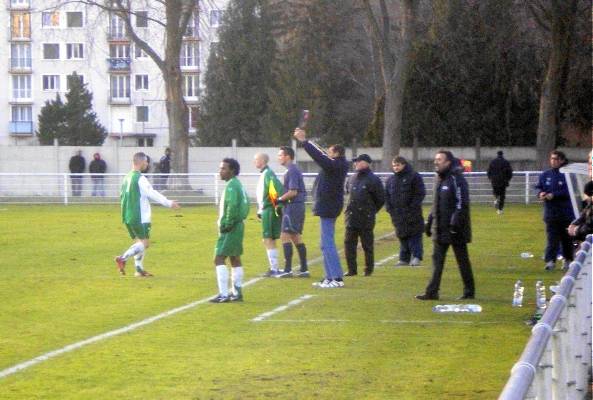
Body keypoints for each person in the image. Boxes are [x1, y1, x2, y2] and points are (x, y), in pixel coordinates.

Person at [293, 127, 349, 288]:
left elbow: (319, 157)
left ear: (336, 153)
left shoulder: (336, 165)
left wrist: (304, 141)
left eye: (330, 152)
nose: (327, 154)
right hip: (328, 206)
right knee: (324, 243)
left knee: (327, 242)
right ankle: (328, 277)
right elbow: (322, 154)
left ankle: (336, 278)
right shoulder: (335, 164)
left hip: (329, 207)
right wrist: (307, 141)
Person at [416, 150, 475, 300]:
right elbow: (436, 203)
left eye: (440, 159)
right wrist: (430, 222)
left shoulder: (457, 179)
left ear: (448, 162)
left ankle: (469, 291)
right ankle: (432, 292)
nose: (436, 162)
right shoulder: (438, 178)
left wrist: (455, 222)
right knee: (437, 261)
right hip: (440, 228)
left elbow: (461, 203)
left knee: (462, 260)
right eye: (436, 159)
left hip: (456, 229)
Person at [114, 152, 180, 277]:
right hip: (139, 216)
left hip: (127, 215)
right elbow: (152, 193)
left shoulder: (127, 177)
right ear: (141, 162)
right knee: (145, 243)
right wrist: (168, 203)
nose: (147, 164)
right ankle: (122, 258)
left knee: (139, 243)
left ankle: (139, 269)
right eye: (146, 161)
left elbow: (122, 196)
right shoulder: (140, 178)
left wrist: (125, 213)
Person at [210, 158, 250, 303]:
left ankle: (224, 294)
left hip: (231, 226)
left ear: (232, 171)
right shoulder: (237, 184)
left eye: (223, 168)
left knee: (218, 258)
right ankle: (237, 292)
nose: (220, 171)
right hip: (238, 225)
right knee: (234, 257)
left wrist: (227, 223)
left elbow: (232, 207)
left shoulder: (232, 186)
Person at [342, 154, 385, 277]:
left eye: (358, 161)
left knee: (367, 245)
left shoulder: (373, 180)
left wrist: (371, 211)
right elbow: (347, 194)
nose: (356, 164)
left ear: (366, 163)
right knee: (349, 244)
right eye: (355, 162)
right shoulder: (352, 178)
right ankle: (352, 270)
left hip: (366, 217)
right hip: (351, 216)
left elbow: (380, 199)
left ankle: (368, 269)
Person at [536, 150, 575, 271]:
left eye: (556, 159)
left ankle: (567, 260)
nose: (553, 161)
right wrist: (540, 193)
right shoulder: (545, 174)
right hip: (551, 214)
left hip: (566, 213)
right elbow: (538, 187)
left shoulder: (567, 174)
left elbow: (570, 191)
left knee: (566, 239)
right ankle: (550, 261)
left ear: (562, 160)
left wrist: (554, 195)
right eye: (552, 159)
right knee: (552, 239)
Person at [385, 156, 426, 267]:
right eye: (394, 165)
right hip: (397, 214)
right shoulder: (390, 180)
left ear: (404, 164)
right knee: (402, 235)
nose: (396, 167)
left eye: (398, 165)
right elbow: (387, 196)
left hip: (412, 212)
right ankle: (404, 259)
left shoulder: (414, 177)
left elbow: (420, 193)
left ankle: (417, 257)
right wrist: (389, 209)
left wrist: (412, 207)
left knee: (414, 234)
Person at [276, 146, 310, 278]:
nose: (279, 158)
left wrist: (279, 200)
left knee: (284, 235)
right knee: (295, 237)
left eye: (280, 155)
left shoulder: (292, 171)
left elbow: (293, 191)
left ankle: (288, 269)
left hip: (293, 207)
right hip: (296, 207)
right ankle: (304, 269)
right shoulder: (292, 170)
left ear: (287, 156)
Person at [254, 153, 285, 277]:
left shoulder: (268, 174)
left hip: (269, 210)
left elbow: (275, 189)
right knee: (268, 239)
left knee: (268, 238)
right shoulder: (265, 174)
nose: (254, 162)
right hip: (266, 210)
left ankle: (274, 268)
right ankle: (275, 267)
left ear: (262, 161)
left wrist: (277, 204)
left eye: (256, 160)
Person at [487, 150, 513, 215]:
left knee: (496, 192)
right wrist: (507, 179)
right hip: (503, 182)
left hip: (494, 181)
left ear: (497, 154)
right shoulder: (506, 162)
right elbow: (510, 172)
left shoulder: (493, 162)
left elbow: (488, 171)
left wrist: (490, 178)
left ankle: (496, 199)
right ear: (502, 155)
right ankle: (500, 210)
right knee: (502, 196)